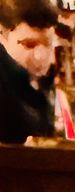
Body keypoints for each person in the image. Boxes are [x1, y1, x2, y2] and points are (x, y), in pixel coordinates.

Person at [0, 0, 58, 144]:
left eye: (47, 44)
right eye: (29, 45)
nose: (40, 56)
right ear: (1, 36)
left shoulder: (44, 83)